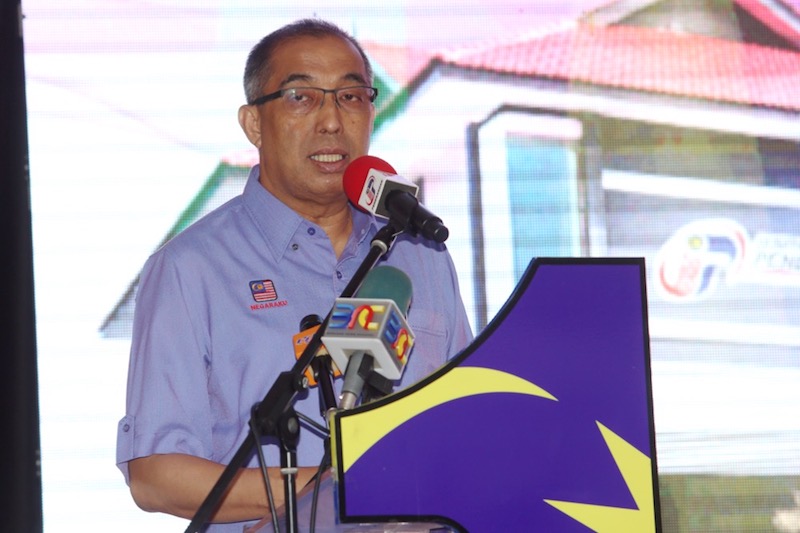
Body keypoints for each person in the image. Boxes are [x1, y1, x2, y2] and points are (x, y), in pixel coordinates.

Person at [116, 18, 473, 532]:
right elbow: (155, 476)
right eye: (302, 98)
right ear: (254, 124)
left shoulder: (420, 254)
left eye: (351, 97)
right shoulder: (190, 270)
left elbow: (460, 423)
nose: (332, 121)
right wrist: (339, 488)